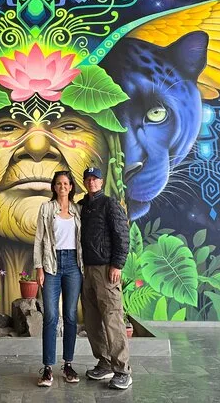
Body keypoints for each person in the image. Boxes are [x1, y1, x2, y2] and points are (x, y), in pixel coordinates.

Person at [79, 166, 131, 389]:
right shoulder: (82, 206)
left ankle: (122, 369)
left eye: (95, 179)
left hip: (106, 269)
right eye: (88, 179)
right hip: (87, 270)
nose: (91, 182)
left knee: (112, 318)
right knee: (92, 320)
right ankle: (104, 363)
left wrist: (117, 264)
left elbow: (122, 234)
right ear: (84, 182)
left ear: (101, 182)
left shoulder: (109, 204)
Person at [33, 170, 84, 387]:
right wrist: (39, 268)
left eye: (66, 183)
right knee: (51, 316)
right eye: (58, 183)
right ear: (54, 187)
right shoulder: (46, 208)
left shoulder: (78, 210)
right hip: (51, 265)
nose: (62, 186)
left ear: (71, 187)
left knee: (71, 316)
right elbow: (39, 239)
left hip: (73, 265)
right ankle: (47, 368)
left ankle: (68, 364)